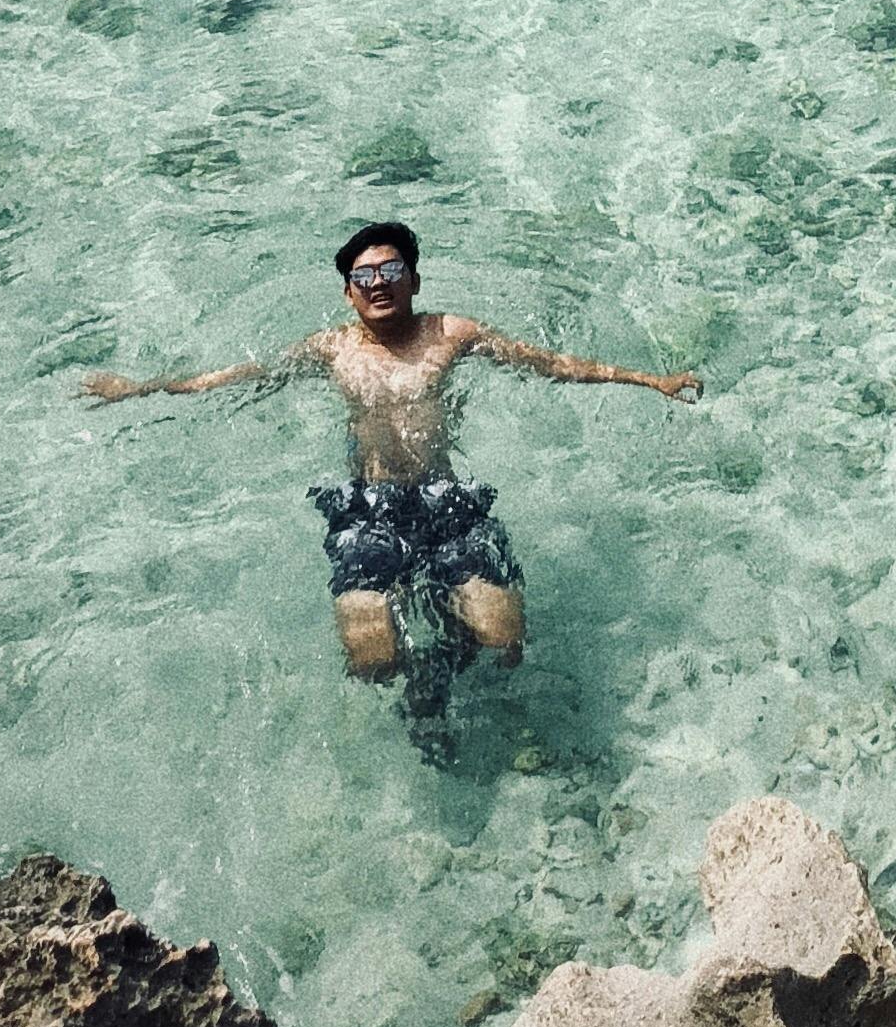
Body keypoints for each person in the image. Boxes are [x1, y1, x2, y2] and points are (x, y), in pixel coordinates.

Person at [84, 221, 699, 699]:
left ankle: (450, 660)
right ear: (348, 291)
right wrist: (141, 389)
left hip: (447, 502)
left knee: (505, 641)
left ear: (414, 280)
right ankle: (420, 697)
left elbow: (553, 364)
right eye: (364, 275)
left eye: (391, 269)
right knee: (372, 659)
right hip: (368, 508)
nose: (378, 282)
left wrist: (652, 381)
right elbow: (237, 377)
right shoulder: (332, 349)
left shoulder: (452, 334)